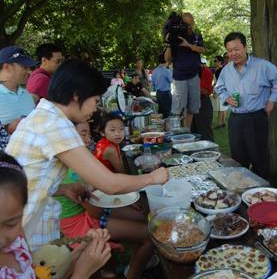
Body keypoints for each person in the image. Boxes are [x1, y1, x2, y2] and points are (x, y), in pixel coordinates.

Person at [5, 59, 168, 250]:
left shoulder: (40, 116)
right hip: (21, 231)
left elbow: (28, 178)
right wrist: (153, 177)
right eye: (95, 101)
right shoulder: (55, 124)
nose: (95, 109)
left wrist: (63, 189)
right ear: (77, 96)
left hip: (19, 223)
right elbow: (109, 184)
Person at [57, 122, 158, 279]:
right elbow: (94, 210)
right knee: (150, 235)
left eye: (89, 134)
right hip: (81, 222)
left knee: (143, 214)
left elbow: (98, 192)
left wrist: (126, 205)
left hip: (90, 210)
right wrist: (123, 207)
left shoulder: (74, 160)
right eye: (83, 134)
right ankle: (132, 273)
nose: (88, 139)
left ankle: (138, 260)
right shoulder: (75, 168)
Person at [0, 151, 111, 279]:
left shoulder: (17, 241)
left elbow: (39, 275)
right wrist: (81, 273)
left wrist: (82, 250)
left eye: (11, 224)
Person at [215, 32, 277, 179]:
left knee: (259, 157)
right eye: (229, 51)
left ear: (245, 47)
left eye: (236, 49)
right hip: (235, 119)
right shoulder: (226, 70)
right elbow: (219, 88)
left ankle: (262, 193)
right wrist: (227, 98)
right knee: (238, 158)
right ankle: (242, 191)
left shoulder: (262, 66)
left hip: (256, 118)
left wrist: (272, 100)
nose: (233, 54)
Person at [164, 12, 205, 128]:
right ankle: (179, 133)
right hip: (180, 77)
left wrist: (189, 45)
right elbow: (168, 60)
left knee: (192, 108)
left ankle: (187, 132)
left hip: (194, 75)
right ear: (181, 23)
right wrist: (168, 43)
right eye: (186, 24)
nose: (189, 26)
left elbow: (202, 49)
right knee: (179, 110)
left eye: (191, 24)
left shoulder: (196, 35)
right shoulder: (175, 36)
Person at [0, 46, 37, 135]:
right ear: (7, 67)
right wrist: (7, 129)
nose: (29, 72)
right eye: (24, 67)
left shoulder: (26, 94)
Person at [191, 58, 214, 141]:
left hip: (202, 103)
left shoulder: (205, 71)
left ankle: (212, 152)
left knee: (205, 133)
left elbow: (205, 91)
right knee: (193, 132)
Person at [152, 54, 173, 118]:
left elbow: (153, 83)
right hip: (166, 94)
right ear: (166, 60)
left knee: (160, 113)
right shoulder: (166, 71)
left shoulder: (154, 71)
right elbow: (172, 80)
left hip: (158, 93)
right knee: (167, 113)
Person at [213, 55, 228, 129]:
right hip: (224, 90)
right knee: (223, 107)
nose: (214, 62)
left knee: (221, 108)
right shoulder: (221, 70)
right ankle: (223, 122)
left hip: (221, 90)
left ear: (220, 62)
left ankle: (219, 123)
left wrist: (215, 92)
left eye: (215, 61)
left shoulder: (220, 70)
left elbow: (219, 83)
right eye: (214, 61)